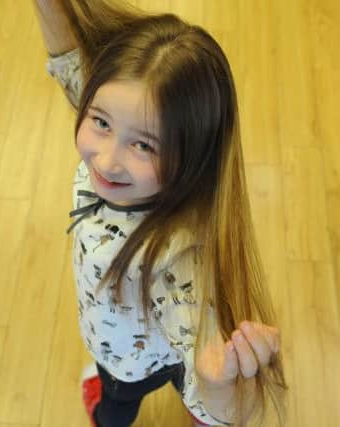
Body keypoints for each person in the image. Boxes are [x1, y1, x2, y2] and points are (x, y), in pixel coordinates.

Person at [33, 1, 288, 426]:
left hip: (134, 360)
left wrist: (216, 386)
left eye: (144, 145)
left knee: (121, 408)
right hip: (138, 355)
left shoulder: (178, 258)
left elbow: (219, 387)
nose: (108, 160)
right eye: (100, 122)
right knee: (152, 393)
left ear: (191, 157)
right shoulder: (115, 133)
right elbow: (68, 60)